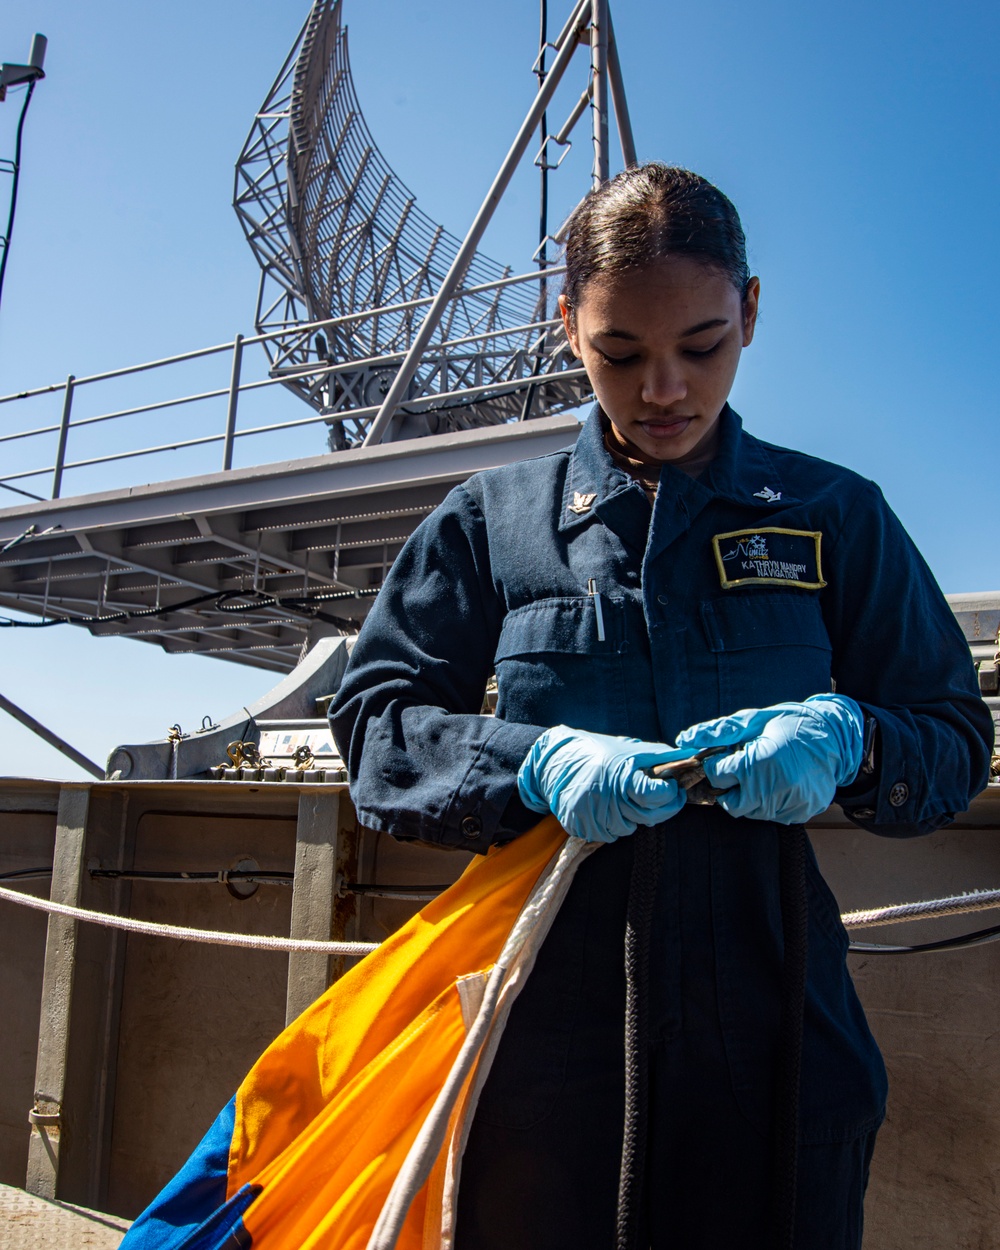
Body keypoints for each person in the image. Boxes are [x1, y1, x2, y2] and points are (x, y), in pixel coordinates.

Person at [328, 164, 992, 1250]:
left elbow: (956, 735)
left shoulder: (836, 514)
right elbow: (376, 727)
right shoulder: (490, 521)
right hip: (545, 1043)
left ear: (752, 312)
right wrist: (530, 763)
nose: (665, 389)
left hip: (780, 1033)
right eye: (620, 354)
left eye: (702, 344)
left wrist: (852, 738)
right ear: (565, 325)